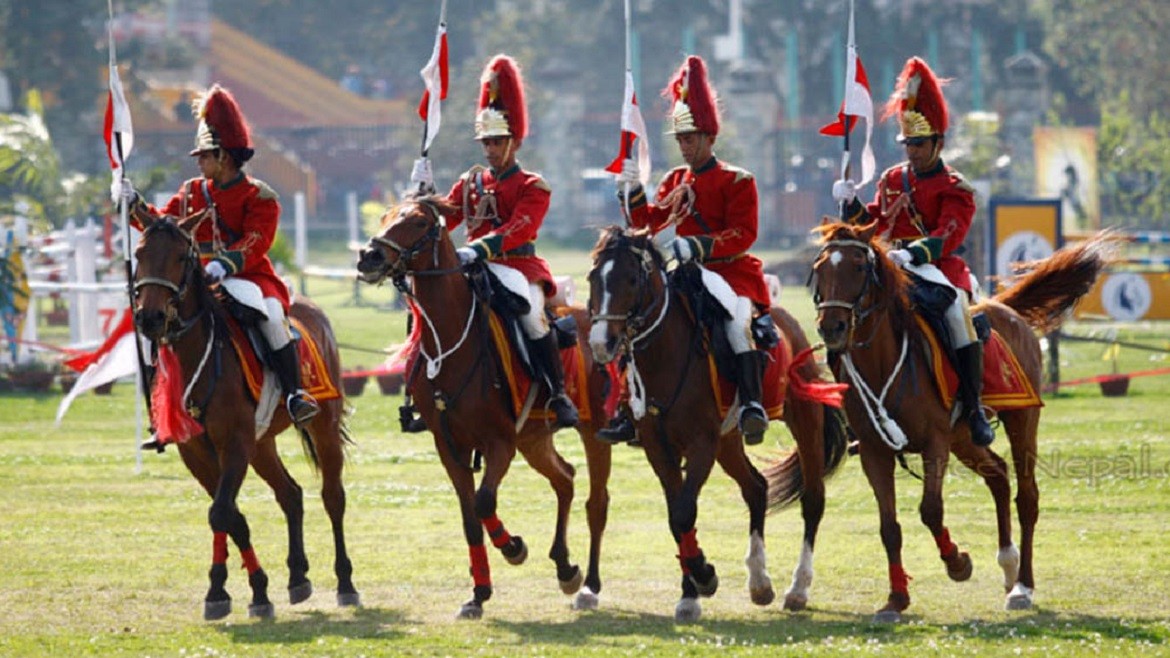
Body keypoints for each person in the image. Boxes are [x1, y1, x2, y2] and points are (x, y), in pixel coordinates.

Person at [125, 84, 320, 426]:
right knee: (151, 326)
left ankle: (293, 395)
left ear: (224, 157)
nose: (198, 162)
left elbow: (257, 240)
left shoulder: (259, 196)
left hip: (249, 277)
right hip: (195, 277)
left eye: (204, 156)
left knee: (273, 319)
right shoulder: (190, 192)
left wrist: (224, 262)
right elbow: (163, 227)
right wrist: (133, 204)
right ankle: (161, 410)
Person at [605, 55, 773, 445]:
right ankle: (630, 408)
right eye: (680, 139)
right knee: (637, 322)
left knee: (736, 325)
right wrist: (631, 190)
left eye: (691, 138)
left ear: (710, 137)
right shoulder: (675, 179)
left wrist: (698, 244)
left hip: (732, 274)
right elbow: (648, 221)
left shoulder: (736, 180)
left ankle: (751, 405)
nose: (684, 146)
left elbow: (744, 233)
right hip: (688, 274)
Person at [832, 56, 995, 447]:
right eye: (908, 144)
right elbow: (873, 222)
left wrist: (915, 254)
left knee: (957, 316)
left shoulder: (955, 186)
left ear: (937, 141)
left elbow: (949, 234)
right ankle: (858, 412)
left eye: (919, 144)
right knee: (847, 315)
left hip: (938, 269)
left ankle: (972, 406)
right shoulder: (891, 178)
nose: (912, 151)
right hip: (892, 266)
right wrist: (851, 204)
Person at [409, 54, 578, 429]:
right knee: (429, 312)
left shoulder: (533, 185)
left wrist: (481, 247)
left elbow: (520, 227)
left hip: (518, 266)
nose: (490, 150)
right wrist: (420, 196)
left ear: (514, 141)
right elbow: (444, 217)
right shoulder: (470, 182)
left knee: (532, 319)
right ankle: (422, 394)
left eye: (497, 142)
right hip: (473, 266)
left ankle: (556, 392)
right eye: (486, 142)